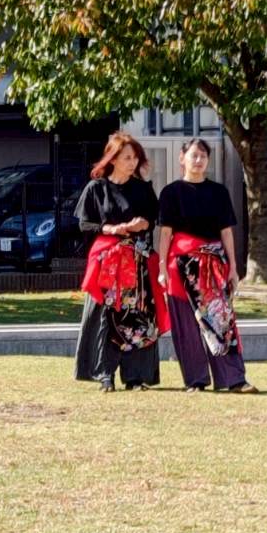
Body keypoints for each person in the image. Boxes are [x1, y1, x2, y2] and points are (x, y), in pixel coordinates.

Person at [156, 139, 257, 394]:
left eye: (203, 156)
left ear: (208, 160)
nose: (198, 160)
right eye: (193, 155)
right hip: (181, 264)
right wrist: (162, 268)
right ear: (182, 158)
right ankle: (195, 380)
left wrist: (233, 267)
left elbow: (227, 233)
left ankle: (234, 379)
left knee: (222, 320)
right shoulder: (171, 192)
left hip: (213, 266)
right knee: (186, 325)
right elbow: (166, 233)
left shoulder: (219, 192)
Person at [74, 131, 166, 393]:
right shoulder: (96, 188)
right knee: (106, 315)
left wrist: (140, 224)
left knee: (138, 315)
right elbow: (84, 224)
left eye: (135, 158)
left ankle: (136, 377)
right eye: (127, 157)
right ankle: (105, 374)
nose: (132, 162)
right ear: (112, 159)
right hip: (109, 263)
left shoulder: (143, 189)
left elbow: (152, 219)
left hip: (137, 261)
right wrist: (114, 229)